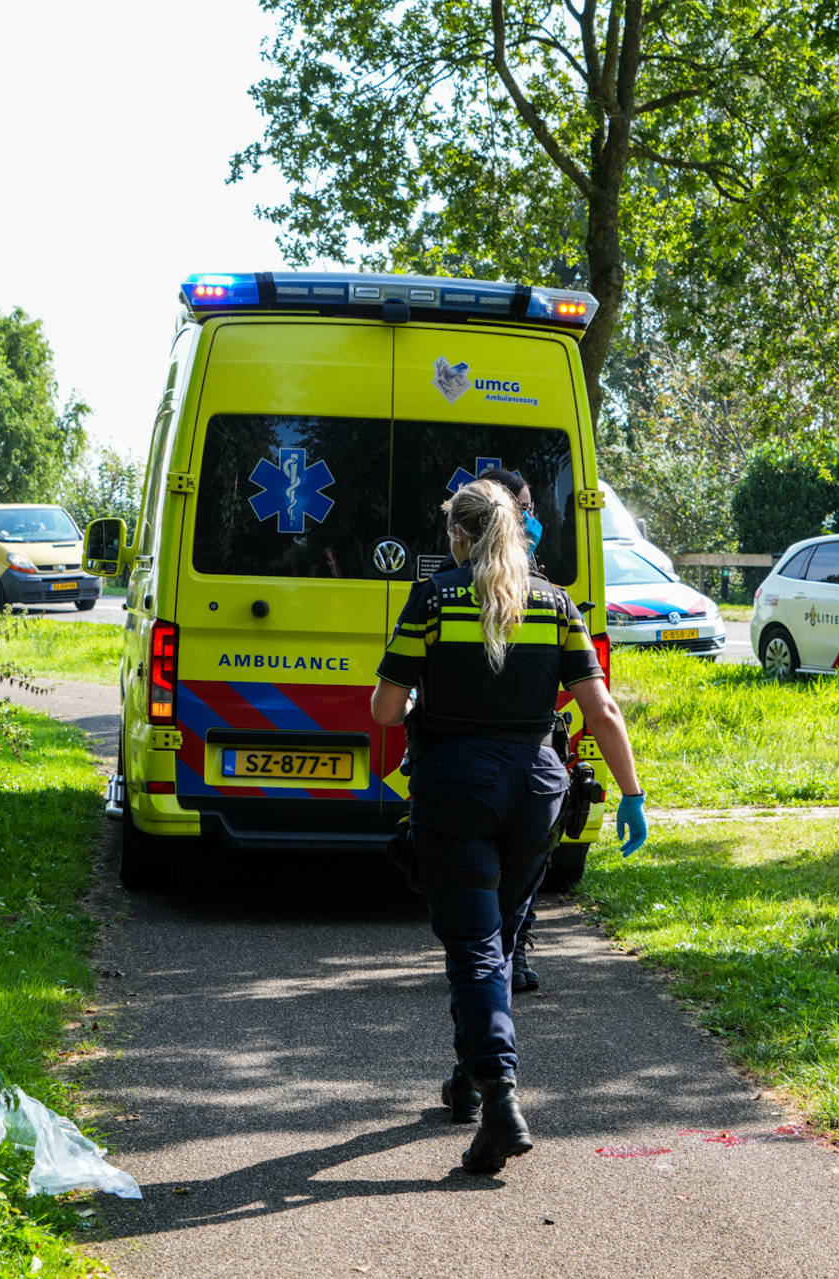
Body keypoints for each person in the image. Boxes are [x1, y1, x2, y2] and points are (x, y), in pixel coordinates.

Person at [370, 478, 648, 1174]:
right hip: (535, 793)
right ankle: (468, 1081)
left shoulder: (432, 599)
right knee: (495, 939)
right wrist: (632, 793)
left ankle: (500, 1099)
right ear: (516, 530)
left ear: (459, 536)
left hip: (456, 791)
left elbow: (384, 708)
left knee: (474, 949)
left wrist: (421, 713)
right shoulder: (556, 603)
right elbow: (602, 710)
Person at [482, 469, 549, 994]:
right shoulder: (454, 587)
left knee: (527, 859)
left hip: (528, 743)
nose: (531, 517)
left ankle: (514, 945)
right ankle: (490, 950)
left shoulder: (544, 586)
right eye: (522, 508)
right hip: (481, 750)